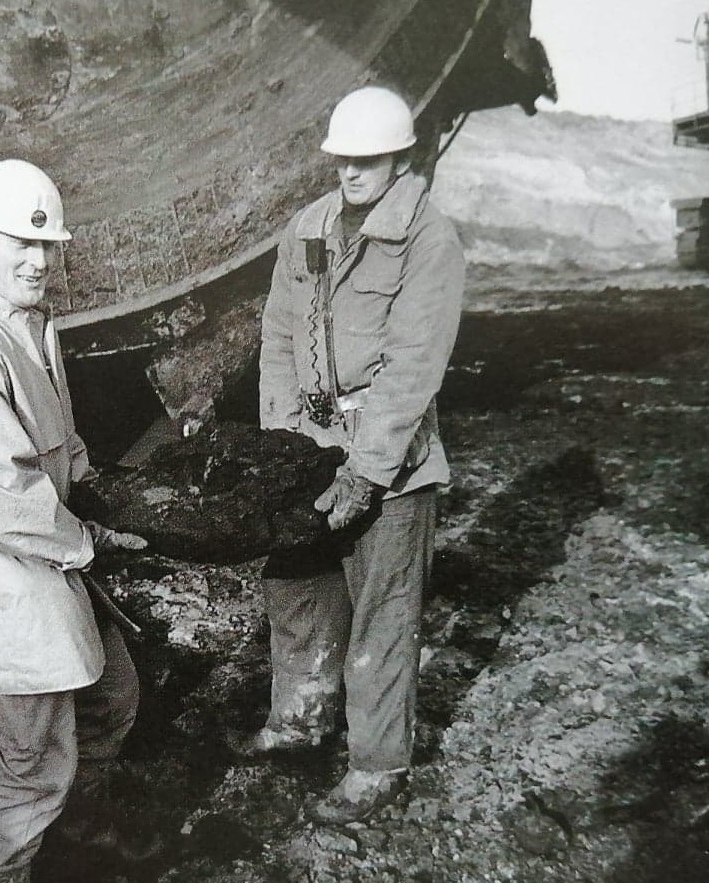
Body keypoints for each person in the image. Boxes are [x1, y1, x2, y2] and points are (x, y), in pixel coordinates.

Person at [0, 159, 158, 883]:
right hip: (9, 578)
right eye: (19, 242)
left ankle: (85, 829)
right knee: (35, 761)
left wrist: (99, 491)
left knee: (112, 700)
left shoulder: (24, 323)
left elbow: (59, 440)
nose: (39, 260)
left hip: (57, 561)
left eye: (47, 245)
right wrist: (93, 538)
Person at [252, 85, 466, 824]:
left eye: (367, 160)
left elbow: (412, 368)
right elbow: (278, 335)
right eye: (342, 160)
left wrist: (366, 471)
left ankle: (377, 764)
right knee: (298, 590)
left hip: (391, 463)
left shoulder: (427, 240)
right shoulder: (307, 227)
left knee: (380, 614)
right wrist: (282, 441)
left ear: (400, 156)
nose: (350, 172)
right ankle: (300, 719)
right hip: (309, 450)